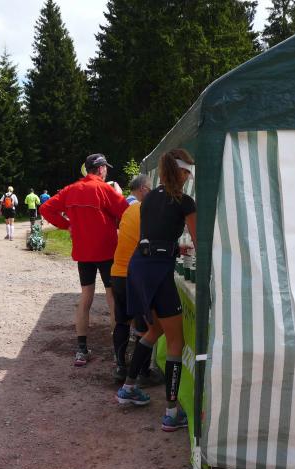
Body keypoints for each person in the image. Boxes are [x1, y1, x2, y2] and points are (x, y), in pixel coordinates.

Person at [117, 148, 197, 433]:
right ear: (180, 171)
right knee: (177, 342)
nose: (188, 177)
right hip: (158, 272)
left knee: (155, 331)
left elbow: (154, 235)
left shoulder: (149, 198)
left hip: (138, 267)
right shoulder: (184, 201)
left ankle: (128, 388)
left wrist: (175, 248)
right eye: (187, 172)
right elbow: (200, 241)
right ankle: (171, 413)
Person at [40, 153, 129, 367]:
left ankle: (81, 350)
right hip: (107, 252)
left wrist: (67, 225)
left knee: (86, 295)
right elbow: (127, 212)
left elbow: (45, 209)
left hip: (83, 253)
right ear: (101, 169)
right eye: (106, 168)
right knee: (112, 297)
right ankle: (118, 353)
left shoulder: (71, 189)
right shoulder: (104, 188)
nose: (106, 171)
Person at [110, 174, 162, 386]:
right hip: (135, 275)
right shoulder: (147, 210)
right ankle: (143, 373)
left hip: (117, 272)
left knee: (122, 321)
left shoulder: (129, 210)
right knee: (144, 326)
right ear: (145, 189)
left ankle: (120, 368)